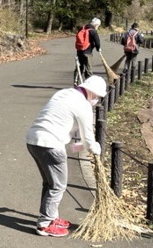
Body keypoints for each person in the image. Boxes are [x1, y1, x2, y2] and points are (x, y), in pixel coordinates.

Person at [25, 75, 106, 237]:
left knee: (50, 182)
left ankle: (51, 216)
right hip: (51, 144)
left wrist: (80, 147)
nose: (96, 100)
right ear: (92, 92)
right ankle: (45, 224)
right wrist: (95, 149)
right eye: (97, 96)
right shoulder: (83, 105)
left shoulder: (64, 93)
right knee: (58, 186)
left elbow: (75, 139)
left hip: (33, 140)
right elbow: (88, 138)